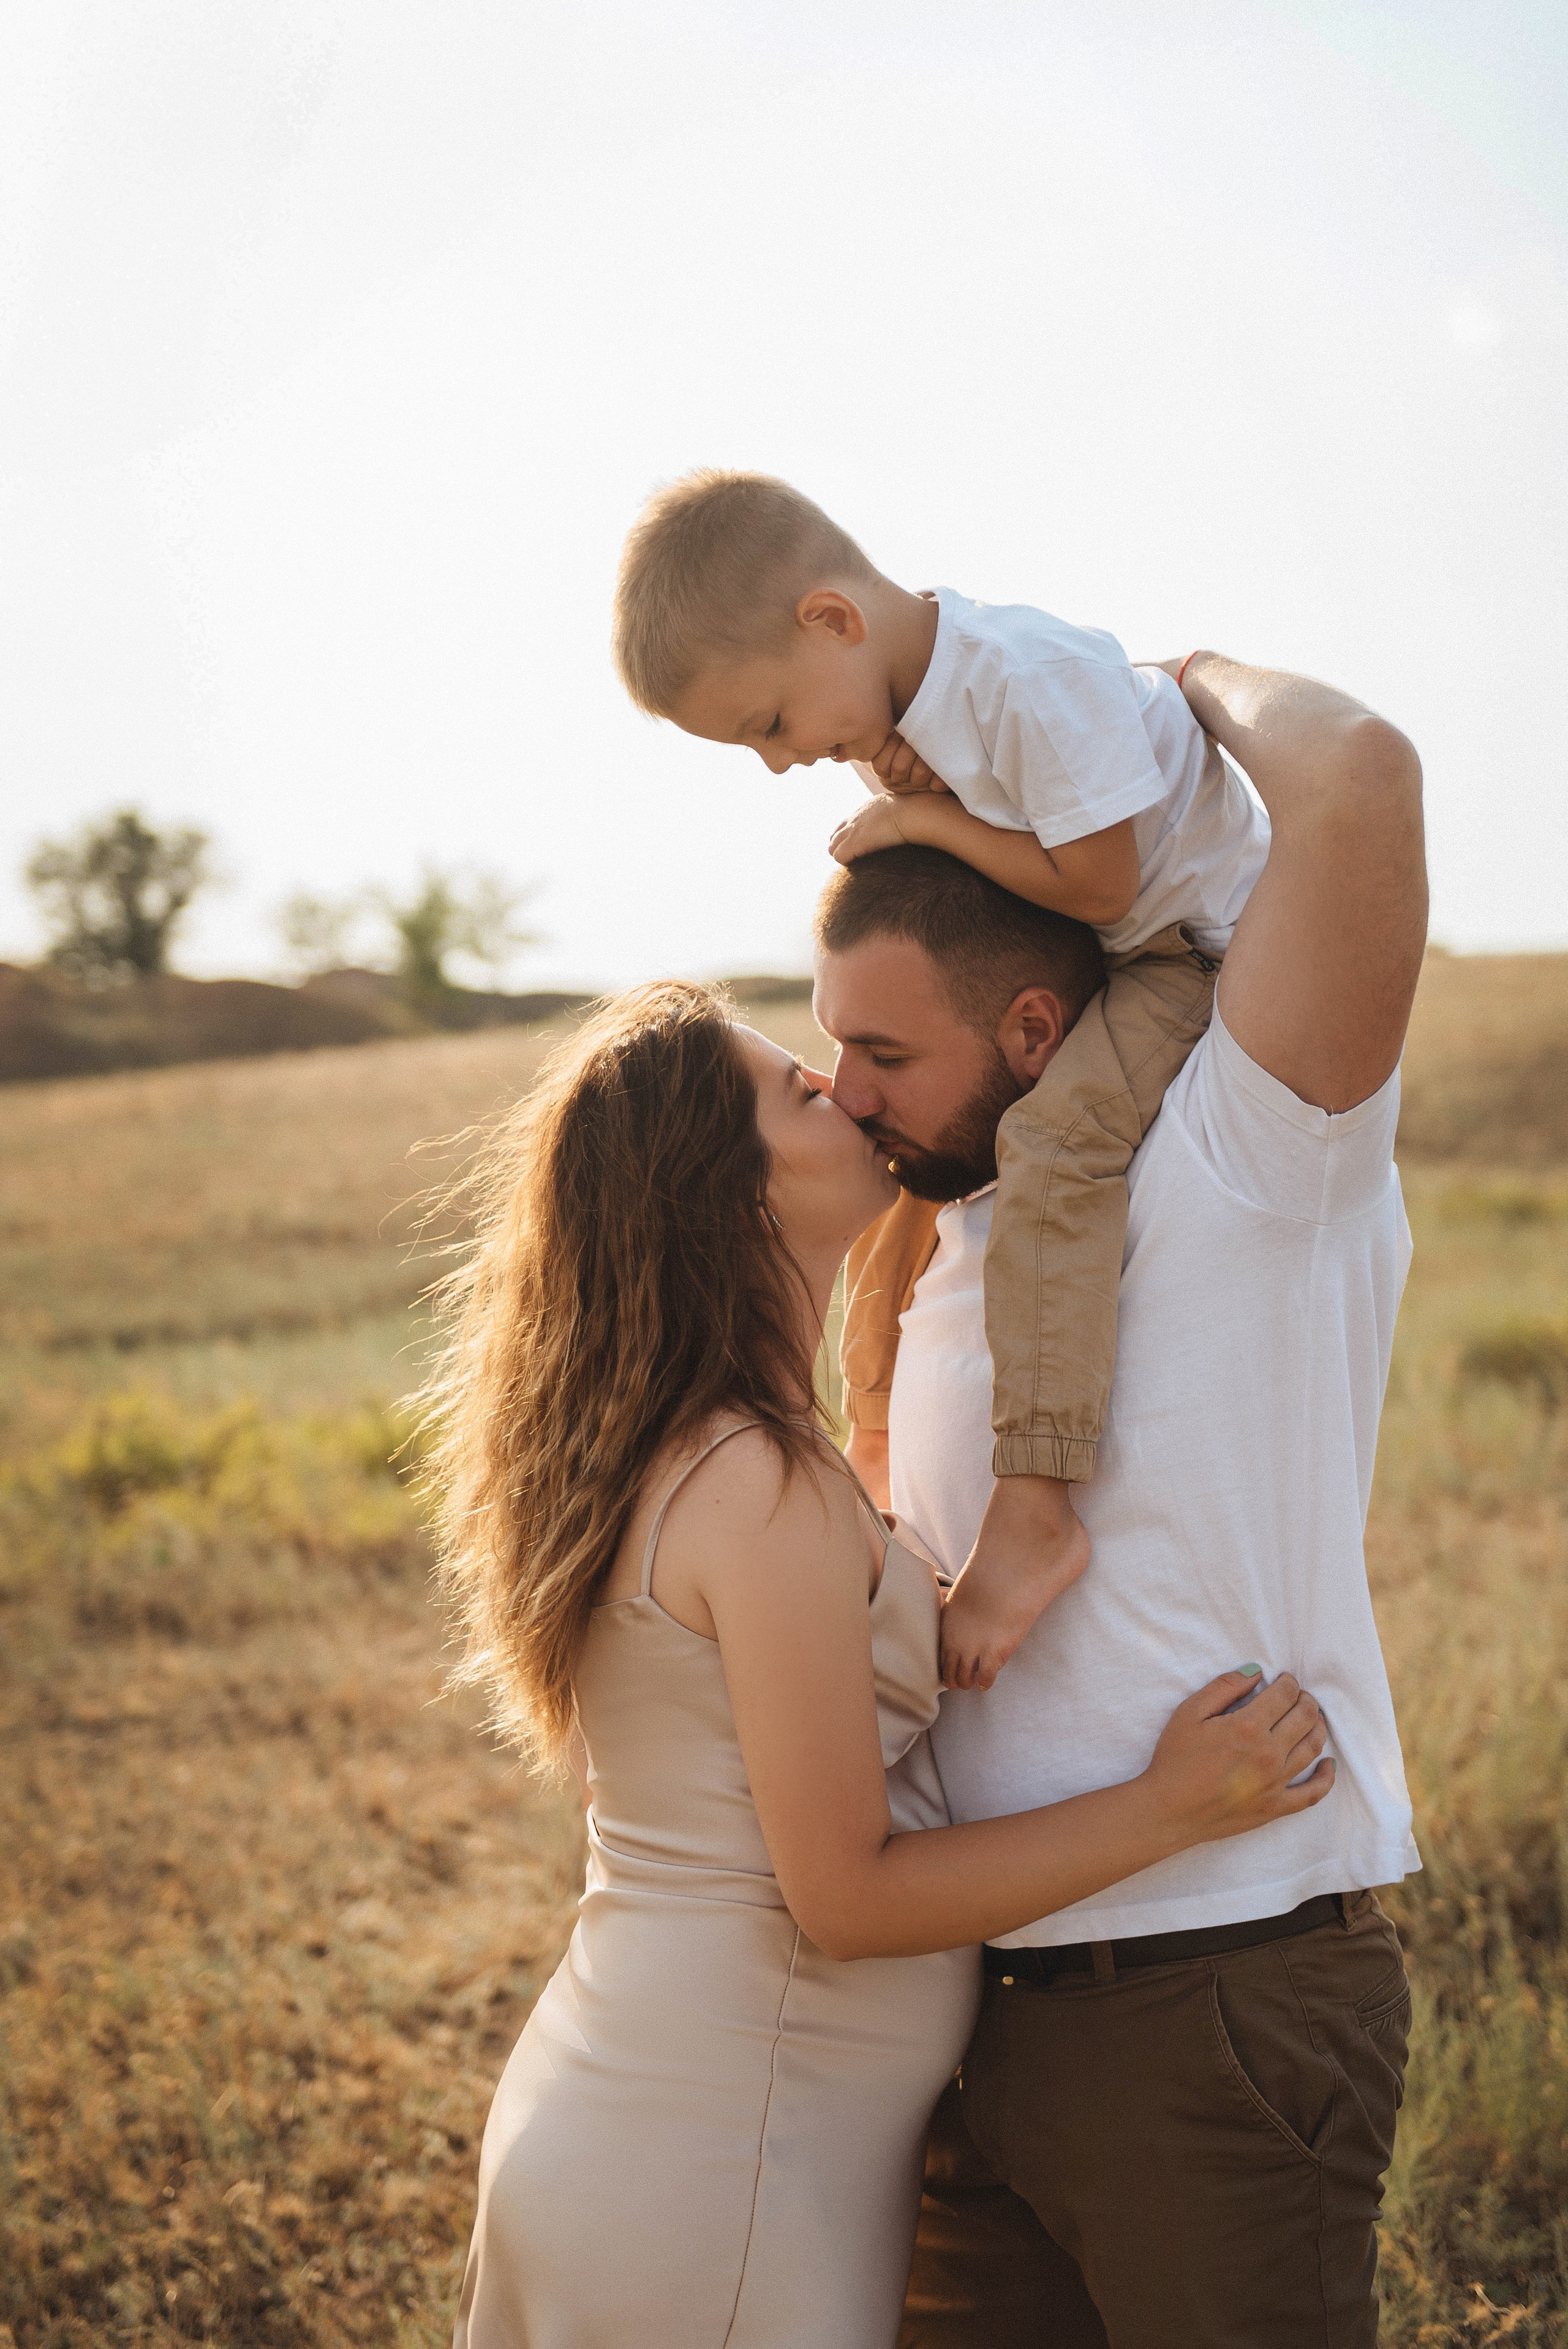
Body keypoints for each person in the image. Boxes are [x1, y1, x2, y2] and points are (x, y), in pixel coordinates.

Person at [425, 979, 1333, 2349]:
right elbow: (841, 1897)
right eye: (800, 1089)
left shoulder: (713, 1449)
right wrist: (1170, 1807)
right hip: (715, 2162)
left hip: (670, 2117)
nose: (846, 1091)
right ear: (727, 1198)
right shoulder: (750, 1483)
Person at [811, 649, 1428, 2347]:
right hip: (962, 2014)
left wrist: (1172, 682)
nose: (846, 1091)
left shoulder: (1247, 1146)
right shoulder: (946, 1230)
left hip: (1209, 1992)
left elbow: (1361, 776)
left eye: (881, 1050)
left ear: (1031, 1028)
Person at [612, 466, 1270, 1692]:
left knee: (1055, 1152)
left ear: (830, 619)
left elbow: (1105, 886)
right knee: (905, 1161)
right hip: (1095, 950)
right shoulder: (896, 716)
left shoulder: (1024, 682)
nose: (776, 763)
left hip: (1186, 946)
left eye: (766, 724)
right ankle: (870, 1433)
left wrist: (925, 827)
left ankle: (1033, 1508)